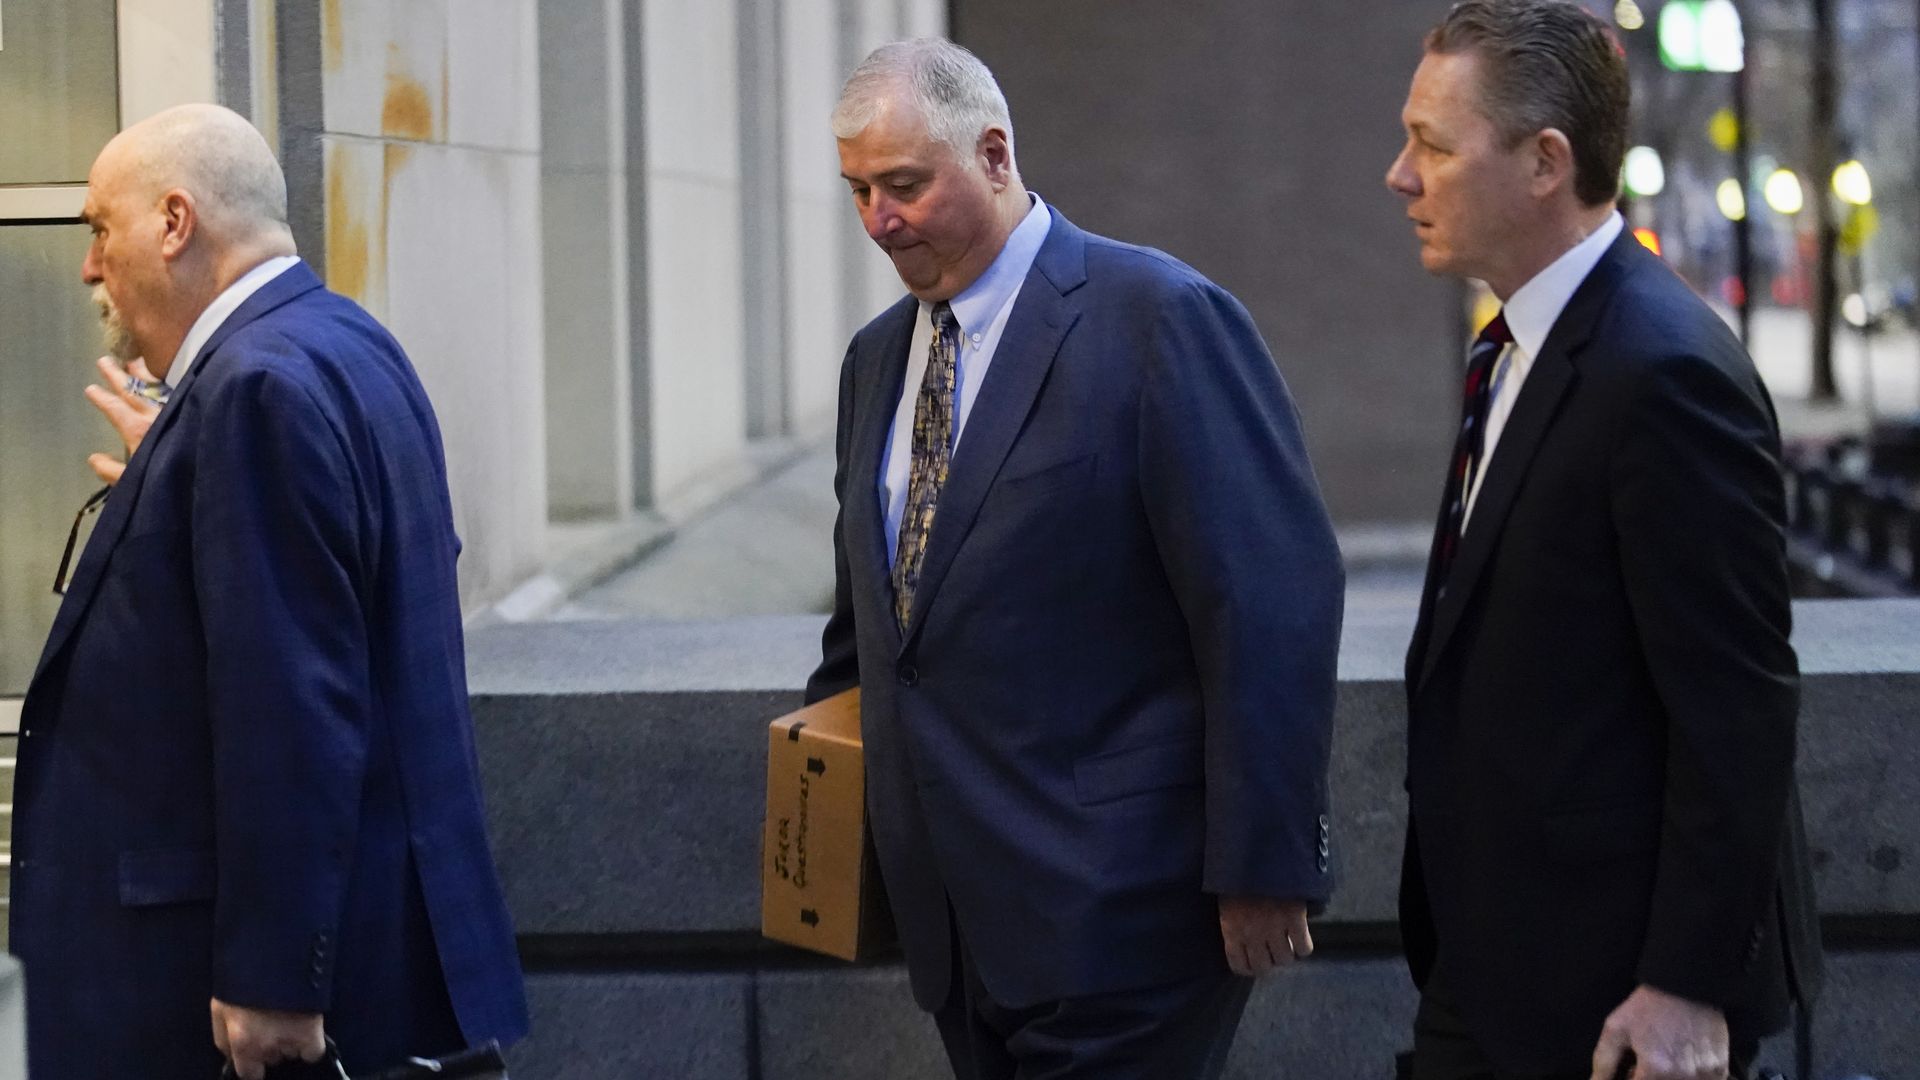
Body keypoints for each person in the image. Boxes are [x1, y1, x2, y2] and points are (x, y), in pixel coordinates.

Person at [805, 38, 1345, 1079]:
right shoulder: (875, 360)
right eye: (859, 190)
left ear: (996, 154)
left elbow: (1269, 601)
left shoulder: (1159, 320)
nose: (878, 220)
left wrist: (1266, 865)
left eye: (905, 185)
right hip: (957, 931)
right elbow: (870, 628)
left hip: (1126, 920)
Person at [11, 104, 529, 1079]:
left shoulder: (257, 391)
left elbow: (292, 705)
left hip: (254, 1001)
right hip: (382, 946)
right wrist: (171, 481)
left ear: (174, 223)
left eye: (98, 228)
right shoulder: (342, 343)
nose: (89, 267)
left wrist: (274, 977)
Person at [1384, 4, 1821, 1078]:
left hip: (1619, 1005)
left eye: (1433, 145)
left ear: (1545, 163)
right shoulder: (1519, 346)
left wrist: (1685, 985)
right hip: (1498, 968)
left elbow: (1736, 710)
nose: (1400, 175)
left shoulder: (1664, 374)